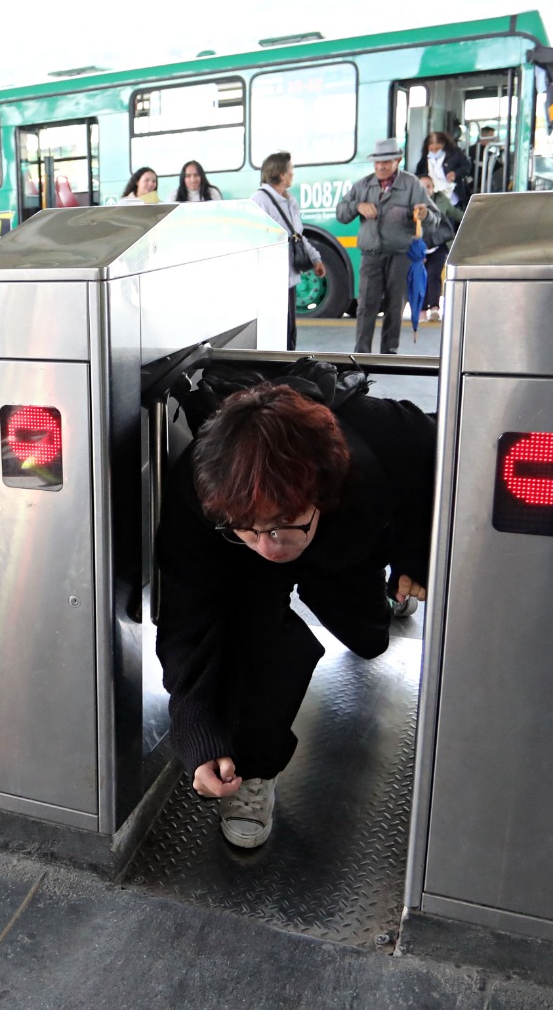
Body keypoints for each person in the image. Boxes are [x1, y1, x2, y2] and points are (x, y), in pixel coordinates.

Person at [155, 377, 434, 848]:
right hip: (246, 555)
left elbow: (446, 459)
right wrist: (198, 735)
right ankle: (257, 770)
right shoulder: (204, 497)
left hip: (348, 538)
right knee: (257, 635)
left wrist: (417, 552)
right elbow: (189, 620)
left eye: (282, 526)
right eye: (251, 530)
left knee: (370, 639)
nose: (269, 545)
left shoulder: (380, 434)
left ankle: (394, 590)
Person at [335, 139, 438, 355]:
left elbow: (435, 218)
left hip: (401, 256)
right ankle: (361, 354)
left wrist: (425, 214)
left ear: (397, 161)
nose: (380, 167)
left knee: (394, 307)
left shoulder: (411, 185)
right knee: (366, 307)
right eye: (377, 163)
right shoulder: (364, 185)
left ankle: (389, 353)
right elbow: (341, 213)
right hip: (371, 254)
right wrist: (357, 206)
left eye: (386, 162)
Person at [251, 152, 325, 351]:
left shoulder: (289, 200)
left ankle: (287, 374)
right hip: (271, 280)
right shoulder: (259, 200)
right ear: (282, 174)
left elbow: (297, 235)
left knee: (289, 332)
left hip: (288, 279)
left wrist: (315, 258)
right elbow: (254, 238)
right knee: (274, 334)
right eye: (290, 169)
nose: (293, 173)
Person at [418, 174, 462, 320]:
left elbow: (456, 214)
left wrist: (474, 217)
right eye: (422, 187)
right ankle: (421, 310)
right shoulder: (411, 203)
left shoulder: (441, 200)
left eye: (429, 186)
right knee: (420, 278)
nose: (426, 190)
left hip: (438, 245)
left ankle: (435, 308)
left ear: (433, 188)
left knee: (434, 275)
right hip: (419, 247)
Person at [413, 131, 473, 207]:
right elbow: (419, 173)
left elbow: (466, 166)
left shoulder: (455, 153)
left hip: (452, 194)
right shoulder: (426, 157)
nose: (434, 152)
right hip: (432, 195)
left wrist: (455, 173)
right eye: (431, 149)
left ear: (444, 145)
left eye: (437, 149)